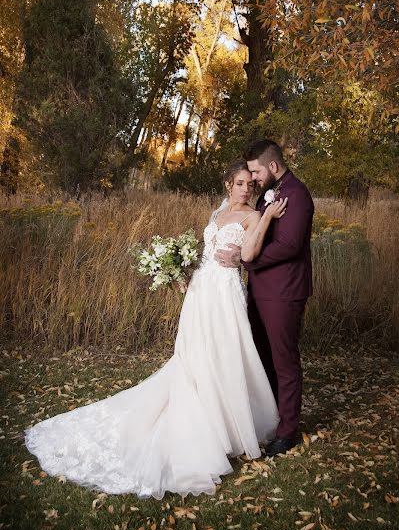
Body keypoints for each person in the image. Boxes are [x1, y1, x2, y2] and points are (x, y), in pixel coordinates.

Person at [25, 159, 287, 499]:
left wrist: (266, 218)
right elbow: (207, 253)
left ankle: (225, 426)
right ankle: (208, 417)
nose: (246, 188)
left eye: (250, 184)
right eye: (240, 183)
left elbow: (249, 254)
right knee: (193, 356)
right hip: (200, 291)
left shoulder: (252, 216)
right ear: (228, 185)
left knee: (224, 354)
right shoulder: (216, 214)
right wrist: (183, 273)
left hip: (225, 293)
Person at [215, 140, 314, 457]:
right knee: (263, 358)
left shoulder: (297, 195)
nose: (254, 179)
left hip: (284, 293)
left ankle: (287, 432)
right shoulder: (267, 197)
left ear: (272, 166)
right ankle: (270, 418)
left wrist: (244, 259)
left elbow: (289, 246)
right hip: (259, 291)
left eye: (256, 172)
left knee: (284, 361)